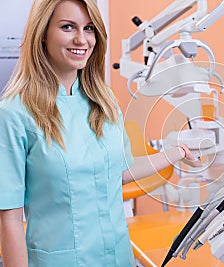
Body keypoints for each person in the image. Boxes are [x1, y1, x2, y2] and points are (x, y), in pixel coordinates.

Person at [0, 0, 200, 266]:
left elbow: (120, 172)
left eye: (90, 28)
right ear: (43, 32)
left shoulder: (104, 101)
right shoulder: (15, 114)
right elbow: (9, 218)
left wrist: (178, 152)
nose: (81, 39)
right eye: (68, 27)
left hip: (117, 256)